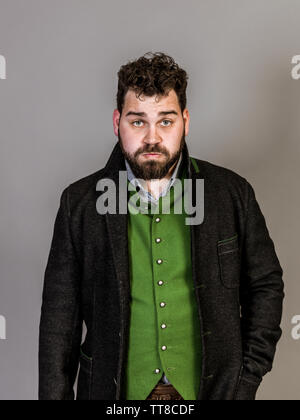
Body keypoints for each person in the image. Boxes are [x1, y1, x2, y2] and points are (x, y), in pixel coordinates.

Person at [38, 52, 284, 400]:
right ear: (117, 121)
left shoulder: (230, 193)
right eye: (138, 121)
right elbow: (57, 324)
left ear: (185, 120)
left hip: (213, 391)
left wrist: (245, 381)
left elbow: (265, 285)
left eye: (165, 121)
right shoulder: (79, 203)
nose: (152, 138)